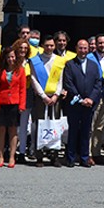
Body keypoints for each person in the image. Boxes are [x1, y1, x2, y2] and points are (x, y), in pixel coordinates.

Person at [62, 39, 102, 167]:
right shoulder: (70, 64)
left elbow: (98, 83)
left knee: (86, 131)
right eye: (80, 48)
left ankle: (84, 158)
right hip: (74, 104)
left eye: (85, 48)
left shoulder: (94, 65)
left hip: (89, 104)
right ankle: (71, 158)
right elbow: (68, 83)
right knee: (73, 131)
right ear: (76, 48)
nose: (83, 51)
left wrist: (91, 99)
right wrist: (79, 98)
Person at [29, 36, 67, 167]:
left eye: (51, 45)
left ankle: (54, 155)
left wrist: (56, 95)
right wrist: (43, 95)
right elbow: (33, 78)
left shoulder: (59, 61)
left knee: (55, 126)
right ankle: (39, 155)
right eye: (47, 45)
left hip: (55, 98)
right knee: (39, 125)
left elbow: (61, 80)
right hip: (41, 98)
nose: (49, 48)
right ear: (42, 46)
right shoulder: (35, 61)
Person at [0, 42, 26, 168]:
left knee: (13, 131)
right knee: (1, 130)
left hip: (14, 103)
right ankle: (1, 156)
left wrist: (22, 105)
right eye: (8, 57)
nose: (11, 59)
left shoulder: (20, 70)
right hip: (2, 103)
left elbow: (22, 89)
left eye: (12, 57)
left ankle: (12, 156)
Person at [89, 34, 104, 164]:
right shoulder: (89, 58)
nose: (103, 45)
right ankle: (87, 154)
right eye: (100, 43)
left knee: (100, 127)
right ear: (96, 44)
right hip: (93, 97)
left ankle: (96, 153)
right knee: (90, 126)